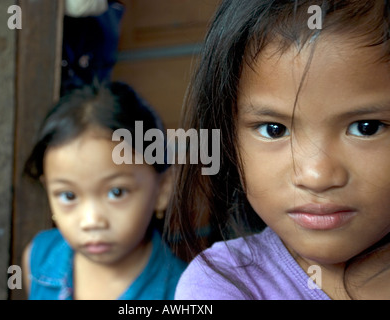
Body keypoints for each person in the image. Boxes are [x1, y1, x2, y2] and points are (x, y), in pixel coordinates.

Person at [167, 0, 390, 300]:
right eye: (274, 129)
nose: (316, 176)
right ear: (229, 139)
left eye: (367, 127)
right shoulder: (221, 286)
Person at [22, 81, 187, 300]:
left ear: (163, 189)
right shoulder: (38, 258)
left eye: (116, 192)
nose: (91, 221)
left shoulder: (186, 293)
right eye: (68, 195)